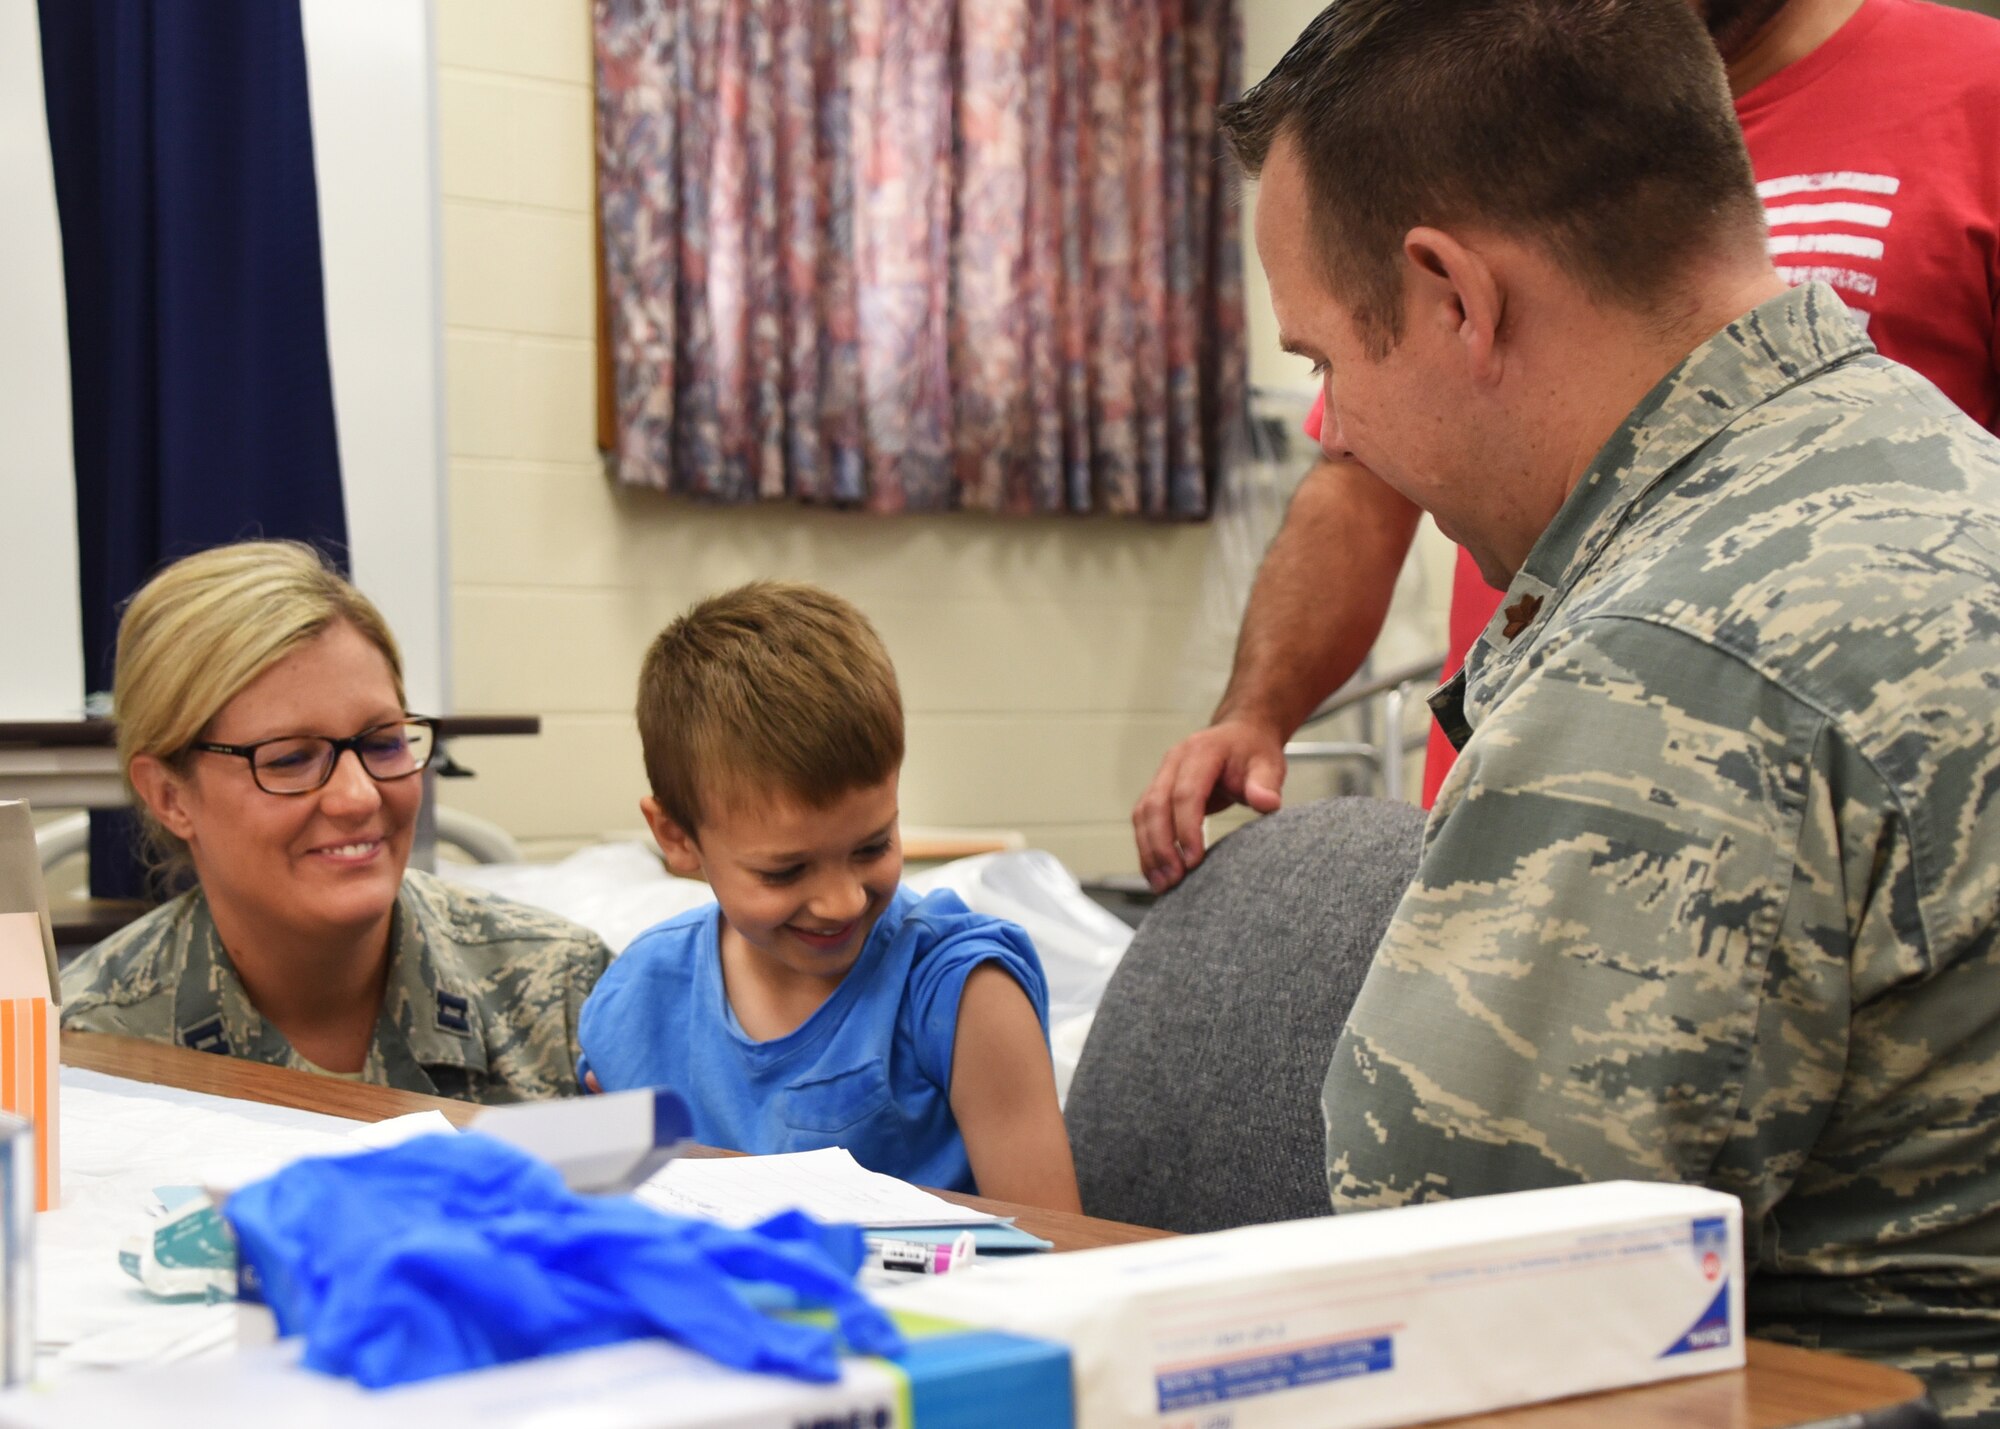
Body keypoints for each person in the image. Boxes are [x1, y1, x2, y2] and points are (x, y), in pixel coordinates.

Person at [1221, 0, 2000, 1419]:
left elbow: (1459, 1320)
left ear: (1457, 296)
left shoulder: (1670, 674)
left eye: (1329, 362)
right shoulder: (1945, 485)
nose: (1342, 430)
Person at [1134, 0, 2000, 892]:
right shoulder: (1504, 99)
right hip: (1527, 781)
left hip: (1792, 810)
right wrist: (1257, 713)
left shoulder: (1977, 91)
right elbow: (1357, 476)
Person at [577, 582, 1081, 1211]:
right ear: (677, 839)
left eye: (872, 847)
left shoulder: (963, 995)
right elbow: (588, 1209)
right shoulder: (635, 1002)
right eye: (785, 871)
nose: (843, 902)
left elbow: (1059, 1250)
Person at [61, 541, 612, 1102]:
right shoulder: (88, 1051)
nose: (357, 796)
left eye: (383, 742)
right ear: (170, 796)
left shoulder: (564, 994)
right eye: (289, 759)